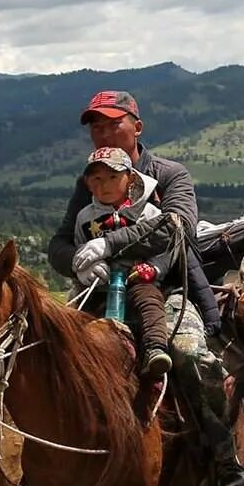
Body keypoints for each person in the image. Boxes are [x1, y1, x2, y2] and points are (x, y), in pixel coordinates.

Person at [47, 89, 244, 486]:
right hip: (101, 290)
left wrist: (111, 245)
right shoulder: (90, 181)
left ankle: (224, 455)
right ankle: (46, 466)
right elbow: (60, 243)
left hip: (166, 283)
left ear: (136, 127)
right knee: (48, 353)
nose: (103, 133)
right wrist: (82, 262)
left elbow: (178, 228)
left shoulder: (171, 174)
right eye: (95, 127)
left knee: (190, 355)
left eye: (112, 123)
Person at [65, 147, 176, 383]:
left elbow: (168, 248)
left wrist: (154, 268)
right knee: (72, 314)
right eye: (97, 178)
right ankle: (67, 359)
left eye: (113, 177)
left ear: (131, 178)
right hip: (100, 283)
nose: (105, 185)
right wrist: (84, 269)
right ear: (88, 184)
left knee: (149, 301)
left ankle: (155, 349)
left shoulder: (149, 212)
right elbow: (80, 248)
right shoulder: (85, 217)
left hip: (138, 277)